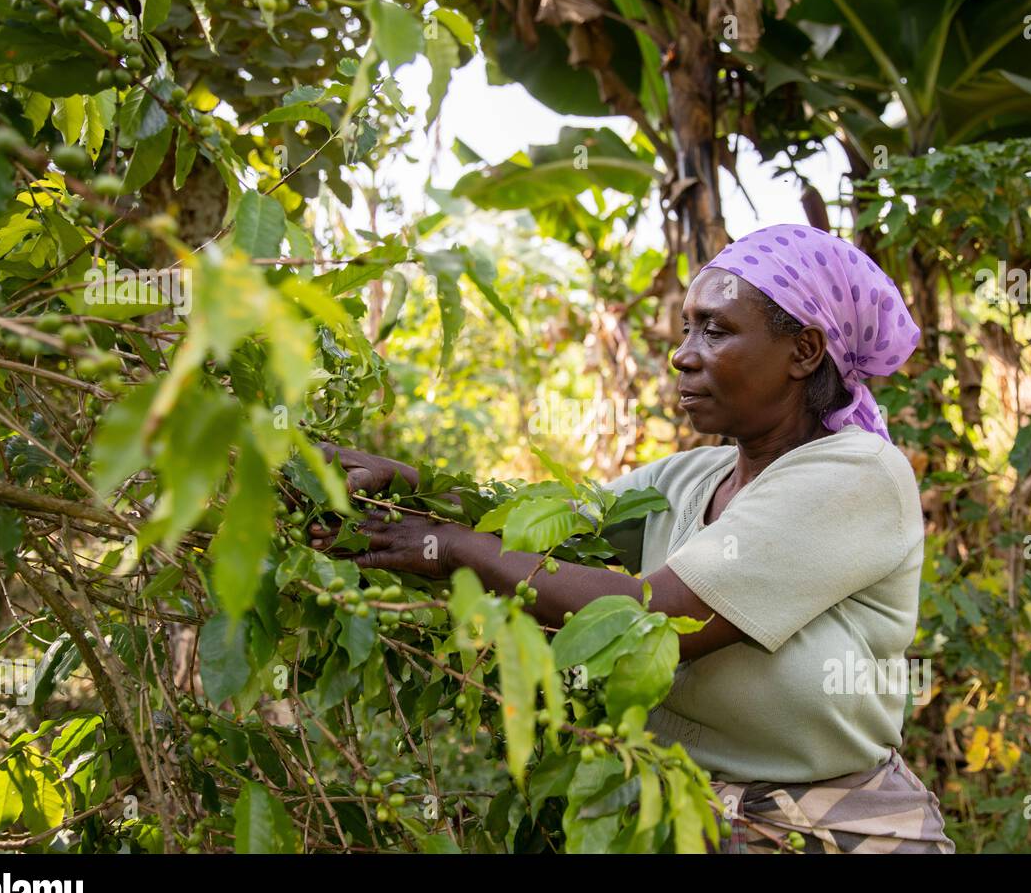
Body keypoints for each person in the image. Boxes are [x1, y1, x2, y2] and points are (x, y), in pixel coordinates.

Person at [309, 224, 954, 854]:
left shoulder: (857, 474)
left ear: (804, 351)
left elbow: (658, 615)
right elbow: (549, 522)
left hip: (829, 830)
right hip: (680, 812)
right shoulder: (692, 476)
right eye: (687, 328)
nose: (683, 353)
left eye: (717, 329)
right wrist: (409, 484)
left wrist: (451, 548)